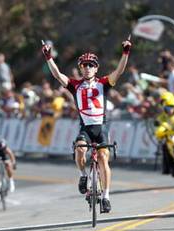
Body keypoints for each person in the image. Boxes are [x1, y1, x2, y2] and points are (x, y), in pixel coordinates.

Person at [41, 37, 131, 213]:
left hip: (101, 127)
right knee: (80, 149)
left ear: (96, 68)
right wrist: (48, 57)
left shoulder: (103, 83)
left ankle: (106, 196)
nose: (88, 68)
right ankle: (83, 176)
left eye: (91, 65)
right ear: (80, 68)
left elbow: (119, 71)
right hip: (86, 128)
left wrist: (126, 52)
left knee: (104, 158)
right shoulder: (75, 85)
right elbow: (57, 75)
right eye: (84, 65)